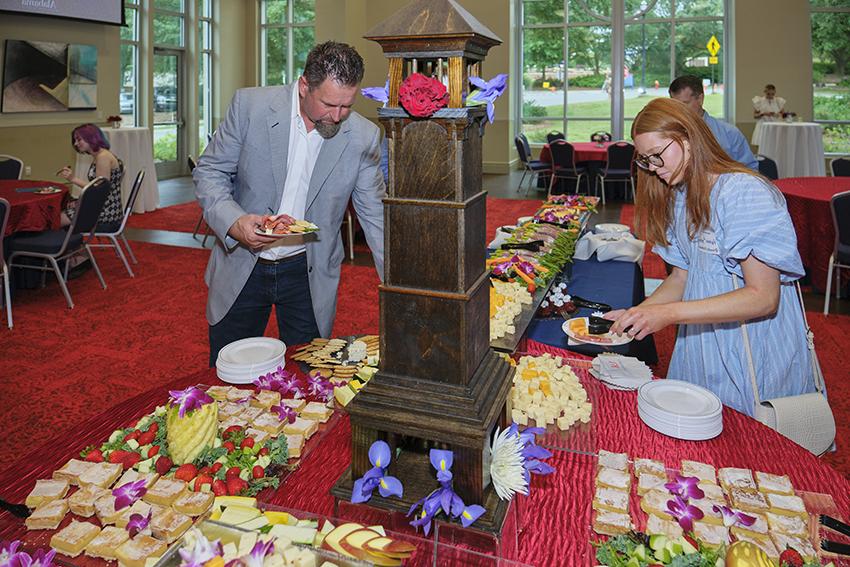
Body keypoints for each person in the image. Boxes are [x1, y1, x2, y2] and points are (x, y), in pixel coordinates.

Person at [604, 97, 818, 417]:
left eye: (658, 156)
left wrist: (669, 314)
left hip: (752, 346)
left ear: (688, 138)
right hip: (703, 341)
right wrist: (639, 314)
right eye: (646, 161)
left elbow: (763, 297)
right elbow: (681, 278)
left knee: (755, 445)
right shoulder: (680, 197)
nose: (655, 169)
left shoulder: (744, 192)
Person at [194, 41, 385, 366]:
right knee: (229, 373)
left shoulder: (362, 136)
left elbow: (375, 214)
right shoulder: (250, 106)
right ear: (303, 86)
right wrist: (234, 222)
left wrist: (401, 286)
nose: (337, 117)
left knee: (306, 376)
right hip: (243, 263)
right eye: (328, 104)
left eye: (346, 106)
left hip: (307, 271)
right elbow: (209, 172)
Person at [668, 75, 758, 170]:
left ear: (700, 99)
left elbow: (750, 171)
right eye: (675, 105)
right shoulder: (668, 133)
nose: (679, 110)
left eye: (684, 104)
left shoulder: (729, 133)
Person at [58, 123, 124, 230]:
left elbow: (99, 190)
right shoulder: (102, 154)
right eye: (75, 140)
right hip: (107, 208)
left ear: (91, 138)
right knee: (61, 212)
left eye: (79, 140)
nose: (76, 143)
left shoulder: (103, 158)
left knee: (54, 220)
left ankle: (64, 245)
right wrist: (80, 201)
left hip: (105, 213)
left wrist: (72, 179)